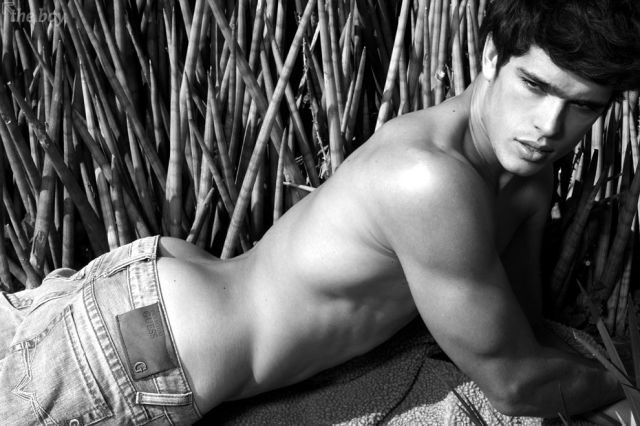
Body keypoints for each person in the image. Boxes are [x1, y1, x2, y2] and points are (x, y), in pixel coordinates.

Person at [2, 0, 640, 424]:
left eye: (583, 106)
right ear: (492, 58)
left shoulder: (522, 174)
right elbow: (513, 383)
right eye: (535, 86)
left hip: (152, 310)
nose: (549, 125)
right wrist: (620, 393)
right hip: (141, 355)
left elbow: (521, 331)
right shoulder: (428, 179)